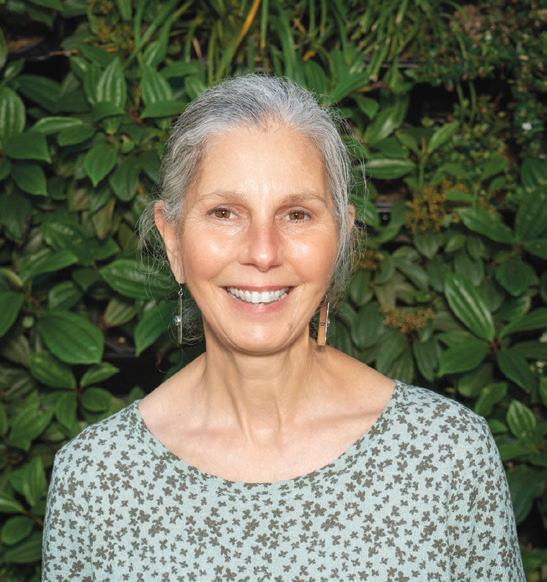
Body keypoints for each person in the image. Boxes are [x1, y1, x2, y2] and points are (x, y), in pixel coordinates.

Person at [41, 74, 525, 581]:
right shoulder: (97, 479)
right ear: (174, 241)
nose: (263, 252)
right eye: (225, 212)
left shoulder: (446, 455)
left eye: (296, 214)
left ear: (340, 237)